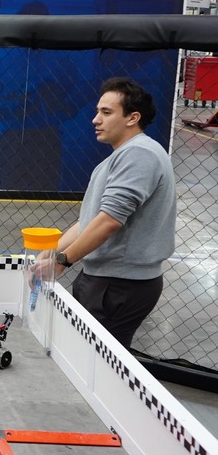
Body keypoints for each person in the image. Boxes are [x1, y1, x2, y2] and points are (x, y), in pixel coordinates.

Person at [35, 78, 176, 350]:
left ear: (133, 118)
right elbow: (90, 221)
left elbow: (109, 222)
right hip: (106, 280)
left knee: (93, 360)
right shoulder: (124, 155)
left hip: (119, 285)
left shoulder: (139, 155)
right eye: (98, 111)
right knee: (83, 357)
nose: (95, 119)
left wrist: (62, 261)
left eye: (106, 112)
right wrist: (54, 251)